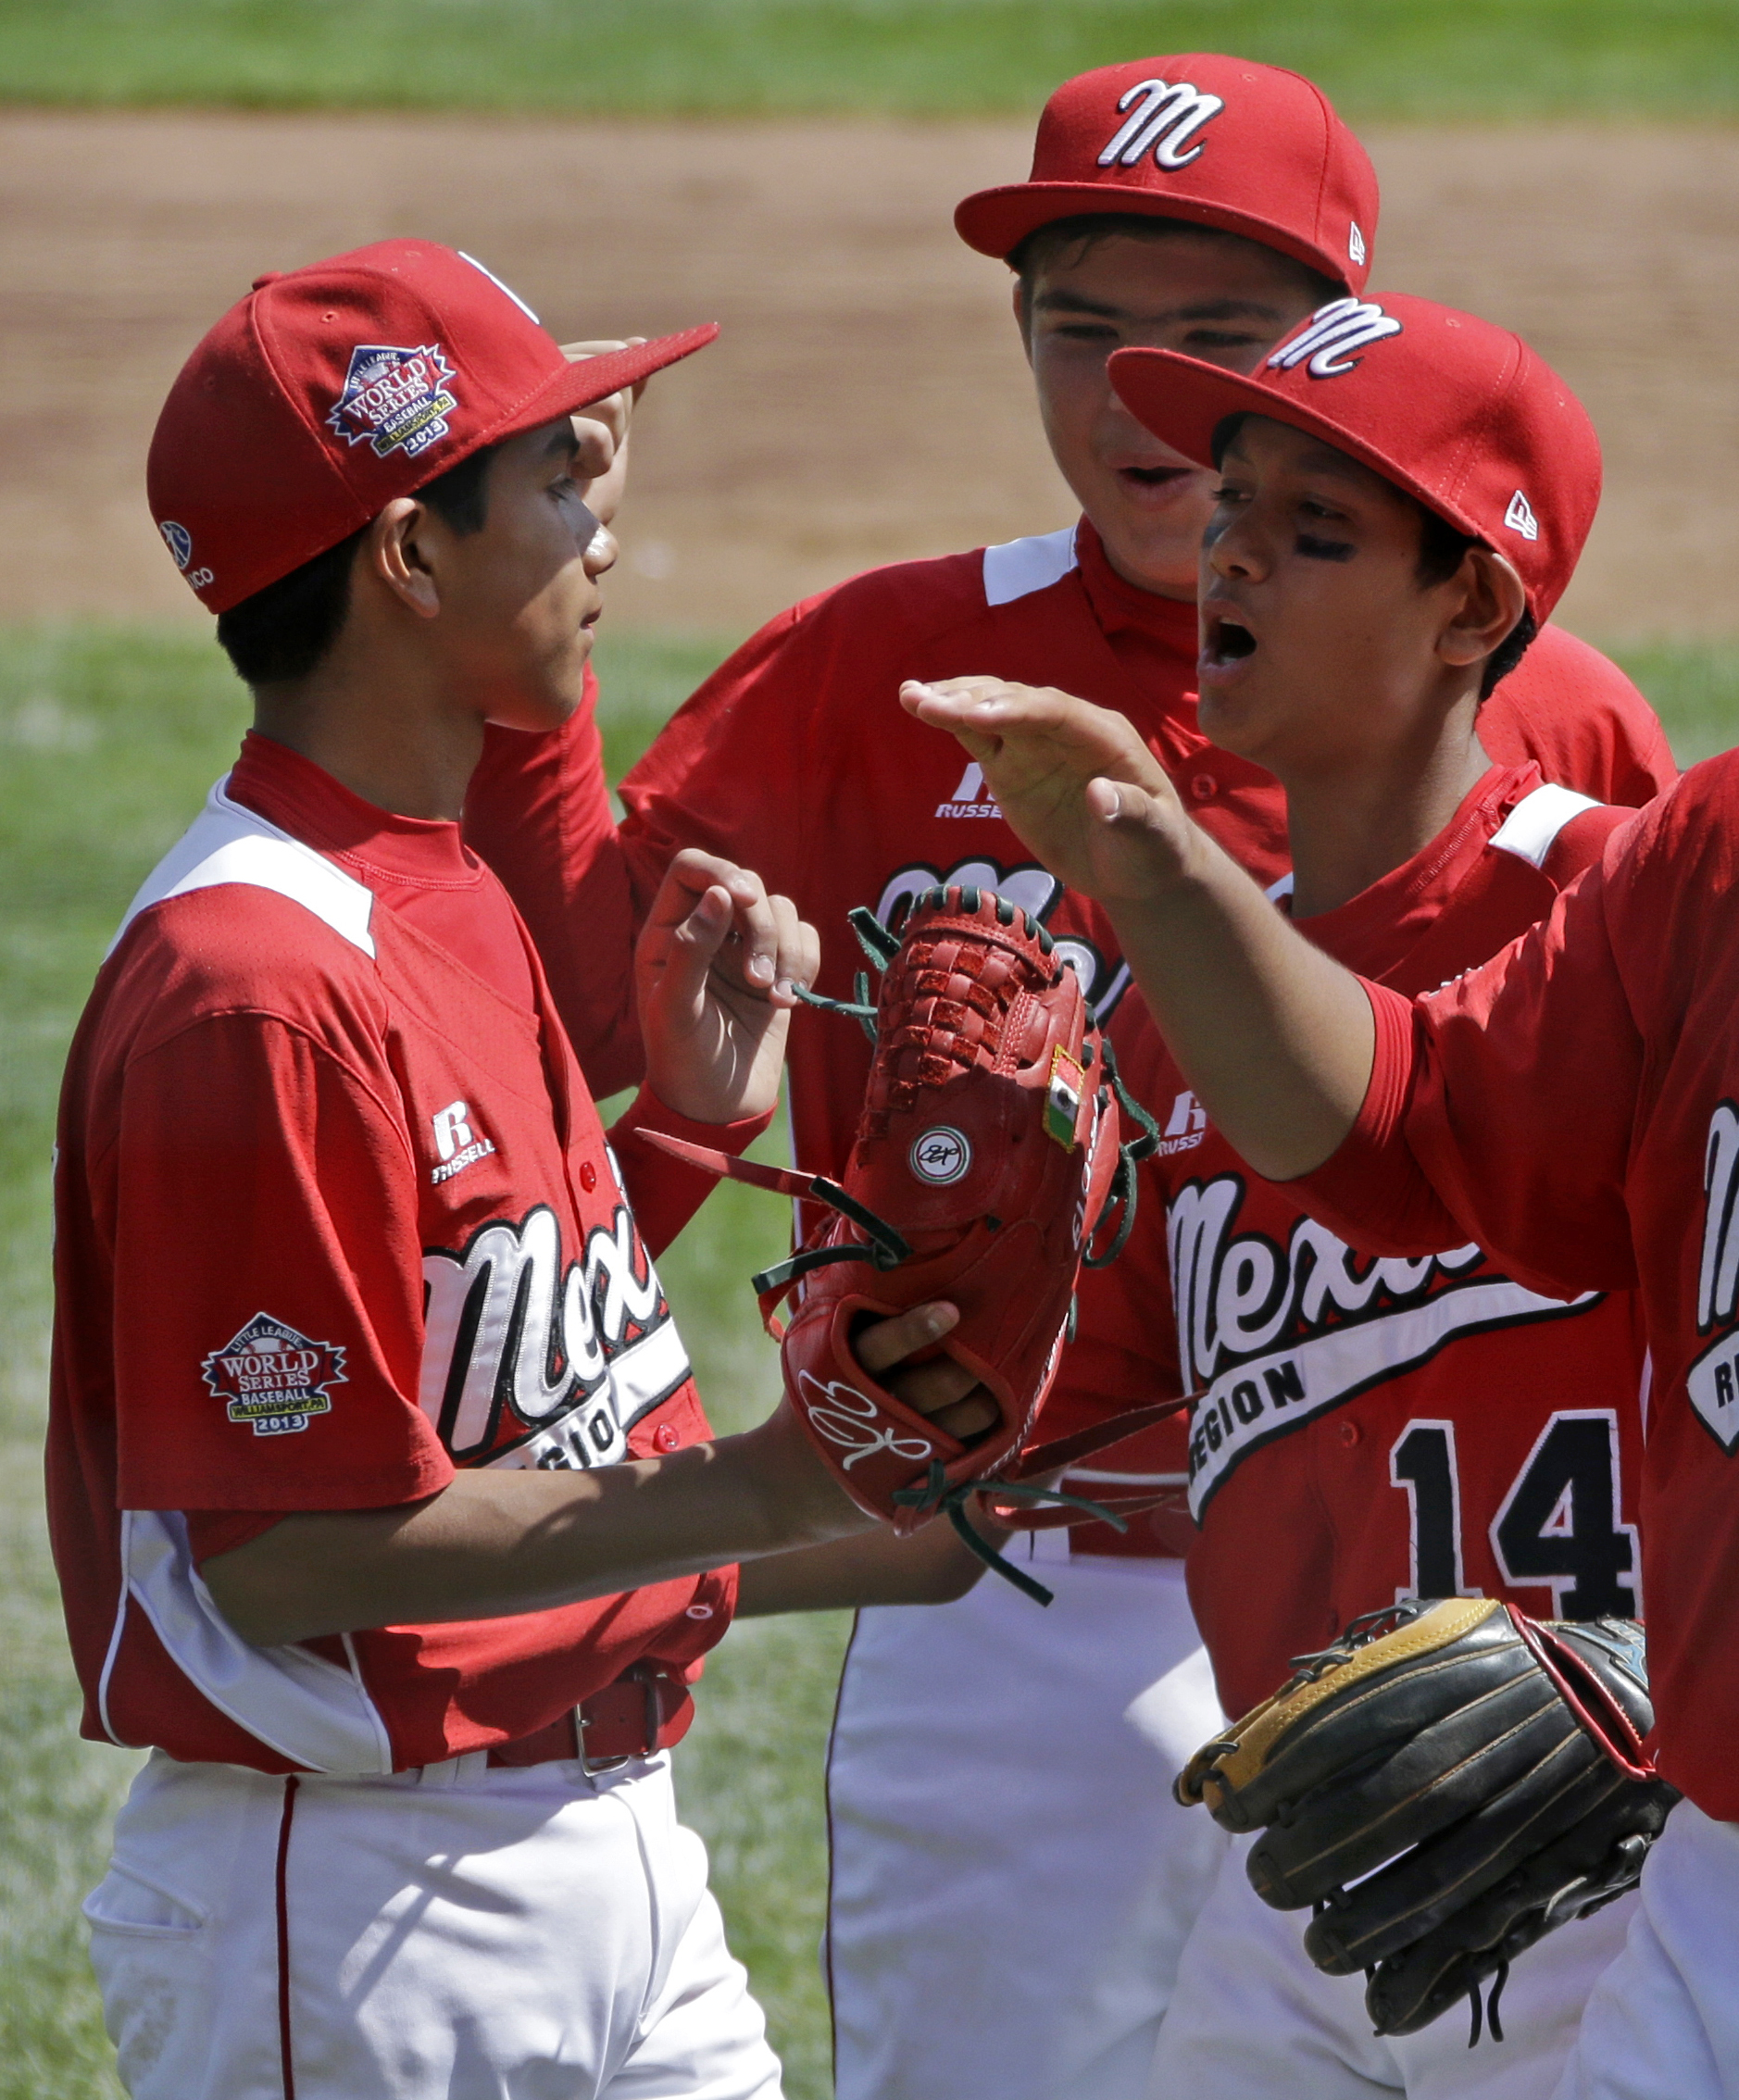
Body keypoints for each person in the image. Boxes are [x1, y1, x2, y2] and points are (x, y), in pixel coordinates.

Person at [458, 55, 1677, 2100]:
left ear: (1340, 345)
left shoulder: (1556, 736)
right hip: (1020, 1581)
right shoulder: (884, 667)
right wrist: (533, 685)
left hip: (1467, 1612)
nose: (1136, 400)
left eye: (1216, 341)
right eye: (1079, 329)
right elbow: (573, 1026)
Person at [52, 238, 993, 2100]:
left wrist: (684, 1138)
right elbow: (288, 1555)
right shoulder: (256, 986)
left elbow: (465, 1345)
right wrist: (769, 1488)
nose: (605, 532)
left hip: (615, 1849)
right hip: (364, 1904)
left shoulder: (436, 877)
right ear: (411, 557)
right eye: (559, 484)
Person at [899, 481, 1739, 2100]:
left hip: (1602, 1831)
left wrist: (1655, 1674)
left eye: (1317, 527)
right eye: (1232, 502)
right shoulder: (1198, 1012)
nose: (1231, 550)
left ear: (1471, 604)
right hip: (1327, 1848)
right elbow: (1031, 1431)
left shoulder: (1607, 876)